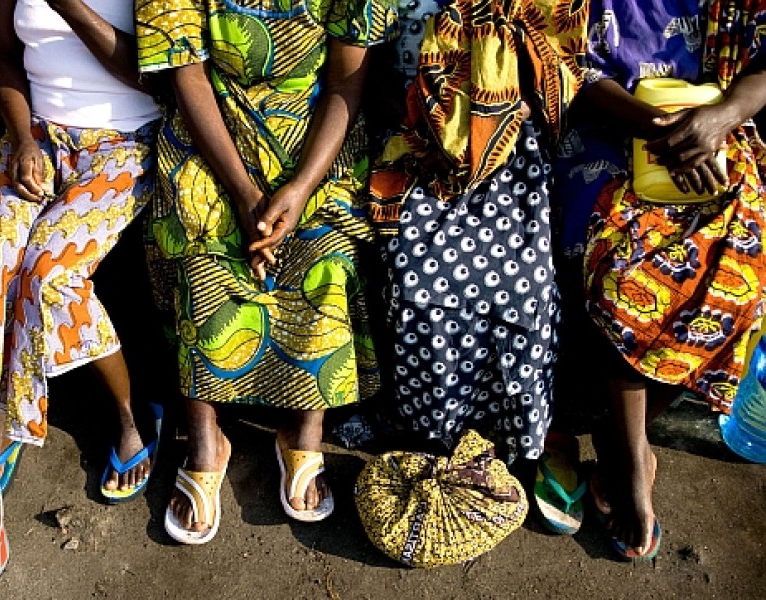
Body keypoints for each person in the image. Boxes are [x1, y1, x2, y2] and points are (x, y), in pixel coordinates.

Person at [135, 0, 398, 543]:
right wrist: (245, 194)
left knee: (328, 246)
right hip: (214, 136)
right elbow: (189, 78)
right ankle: (206, 437)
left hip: (315, 136)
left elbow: (346, 86)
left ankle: (305, 427)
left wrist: (300, 189)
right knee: (193, 229)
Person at [554, 0, 766, 561]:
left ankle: (624, 445)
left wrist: (718, 119)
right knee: (620, 269)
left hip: (714, 130)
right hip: (609, 129)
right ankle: (632, 456)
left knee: (743, 267)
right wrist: (651, 125)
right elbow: (562, 58)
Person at [368, 0, 586, 465]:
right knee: (417, 284)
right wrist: (427, 132)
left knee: (524, 292)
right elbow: (370, 71)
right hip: (416, 146)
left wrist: (480, 133)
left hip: (507, 151)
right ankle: (429, 429)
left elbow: (554, 75)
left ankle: (507, 435)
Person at [0, 0, 162, 501]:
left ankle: (129, 413)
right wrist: (22, 138)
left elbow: (151, 71)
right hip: (38, 138)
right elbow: (5, 57)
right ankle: (7, 413)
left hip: (123, 142)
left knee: (49, 273)